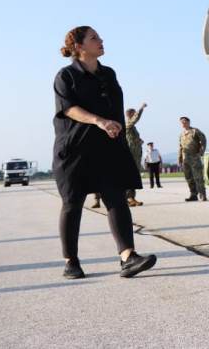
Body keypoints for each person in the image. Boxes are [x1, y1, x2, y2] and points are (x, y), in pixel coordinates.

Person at [52, 26, 157, 279]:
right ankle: (71, 261)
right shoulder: (66, 76)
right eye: (94, 38)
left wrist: (115, 127)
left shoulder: (108, 74)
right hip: (75, 149)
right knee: (72, 203)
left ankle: (128, 257)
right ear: (79, 46)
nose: (101, 41)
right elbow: (69, 109)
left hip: (108, 148)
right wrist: (100, 121)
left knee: (116, 198)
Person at [178, 116, 207, 201]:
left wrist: (201, 152)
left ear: (188, 122)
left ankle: (202, 194)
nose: (183, 124)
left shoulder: (195, 131)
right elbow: (180, 147)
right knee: (189, 177)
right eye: (181, 122)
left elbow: (203, 140)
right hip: (185, 159)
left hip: (194, 157)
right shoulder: (181, 134)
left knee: (198, 177)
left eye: (184, 122)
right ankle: (193, 194)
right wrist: (179, 158)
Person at [124, 103, 147, 205]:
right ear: (131, 115)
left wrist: (139, 140)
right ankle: (129, 198)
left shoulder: (131, 127)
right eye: (134, 114)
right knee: (131, 176)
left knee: (133, 176)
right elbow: (135, 119)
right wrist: (141, 109)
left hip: (135, 155)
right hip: (131, 155)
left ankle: (130, 198)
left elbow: (130, 139)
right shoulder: (128, 124)